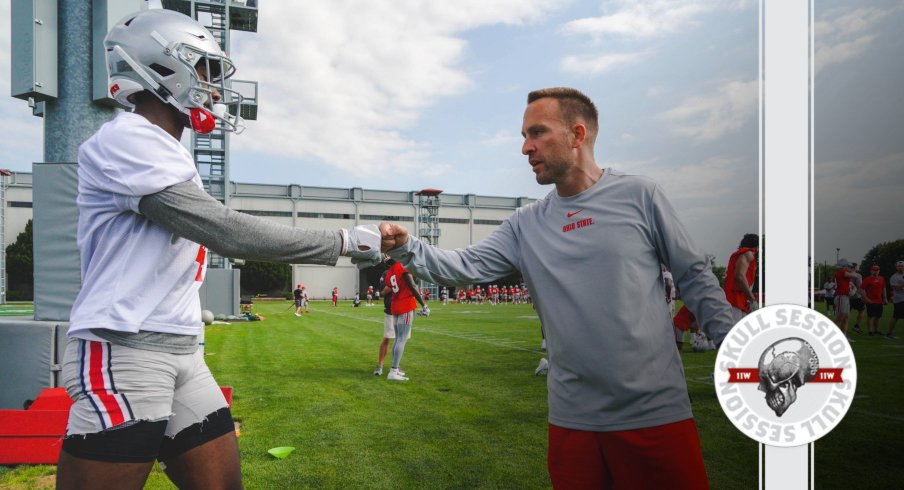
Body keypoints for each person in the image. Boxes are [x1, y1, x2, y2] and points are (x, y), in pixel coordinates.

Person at [55, 10, 382, 490]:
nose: (213, 85)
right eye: (205, 69)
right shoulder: (127, 138)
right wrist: (343, 241)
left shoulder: (169, 149)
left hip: (183, 350)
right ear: (162, 66)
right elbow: (225, 231)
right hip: (124, 350)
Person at [379, 87, 734, 488]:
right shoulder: (525, 223)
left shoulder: (640, 195)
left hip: (655, 414)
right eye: (524, 137)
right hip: (572, 420)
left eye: (537, 133)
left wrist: (741, 351)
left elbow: (694, 276)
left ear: (577, 135)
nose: (525, 148)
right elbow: (463, 266)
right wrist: (408, 247)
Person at [383, 257, 429, 381]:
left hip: (395, 306)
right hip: (405, 305)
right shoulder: (401, 266)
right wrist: (424, 304)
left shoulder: (389, 272)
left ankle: (395, 369)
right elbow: (413, 286)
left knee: (398, 339)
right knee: (401, 339)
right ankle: (393, 371)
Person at [723, 234, 759, 322]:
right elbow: (739, 276)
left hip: (733, 299)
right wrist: (752, 298)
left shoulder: (741, 254)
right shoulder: (748, 253)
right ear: (756, 247)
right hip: (735, 301)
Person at [834, 259, 859, 341]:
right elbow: (855, 276)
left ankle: (843, 336)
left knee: (846, 317)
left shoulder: (844, 273)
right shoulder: (841, 271)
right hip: (841, 296)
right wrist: (854, 270)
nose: (850, 268)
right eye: (849, 266)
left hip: (845, 297)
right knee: (840, 316)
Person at [861, 265, 887, 336]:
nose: (876, 271)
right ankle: (870, 331)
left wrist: (885, 298)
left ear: (879, 271)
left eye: (877, 270)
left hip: (879, 300)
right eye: (874, 270)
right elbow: (861, 289)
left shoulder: (881, 278)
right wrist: (866, 298)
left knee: (878, 316)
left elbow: (884, 288)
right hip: (870, 301)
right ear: (871, 271)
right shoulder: (868, 279)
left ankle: (877, 331)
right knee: (870, 316)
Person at [885, 260, 904, 340]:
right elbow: (896, 288)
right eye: (899, 266)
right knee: (896, 316)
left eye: (902, 266)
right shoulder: (894, 277)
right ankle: (889, 333)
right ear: (896, 267)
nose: (901, 267)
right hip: (899, 299)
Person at [849, 263, 866, 333]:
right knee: (862, 310)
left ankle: (842, 328)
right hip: (856, 296)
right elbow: (860, 287)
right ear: (855, 267)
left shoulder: (846, 274)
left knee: (845, 313)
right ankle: (856, 325)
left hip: (847, 296)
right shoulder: (858, 275)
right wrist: (863, 296)